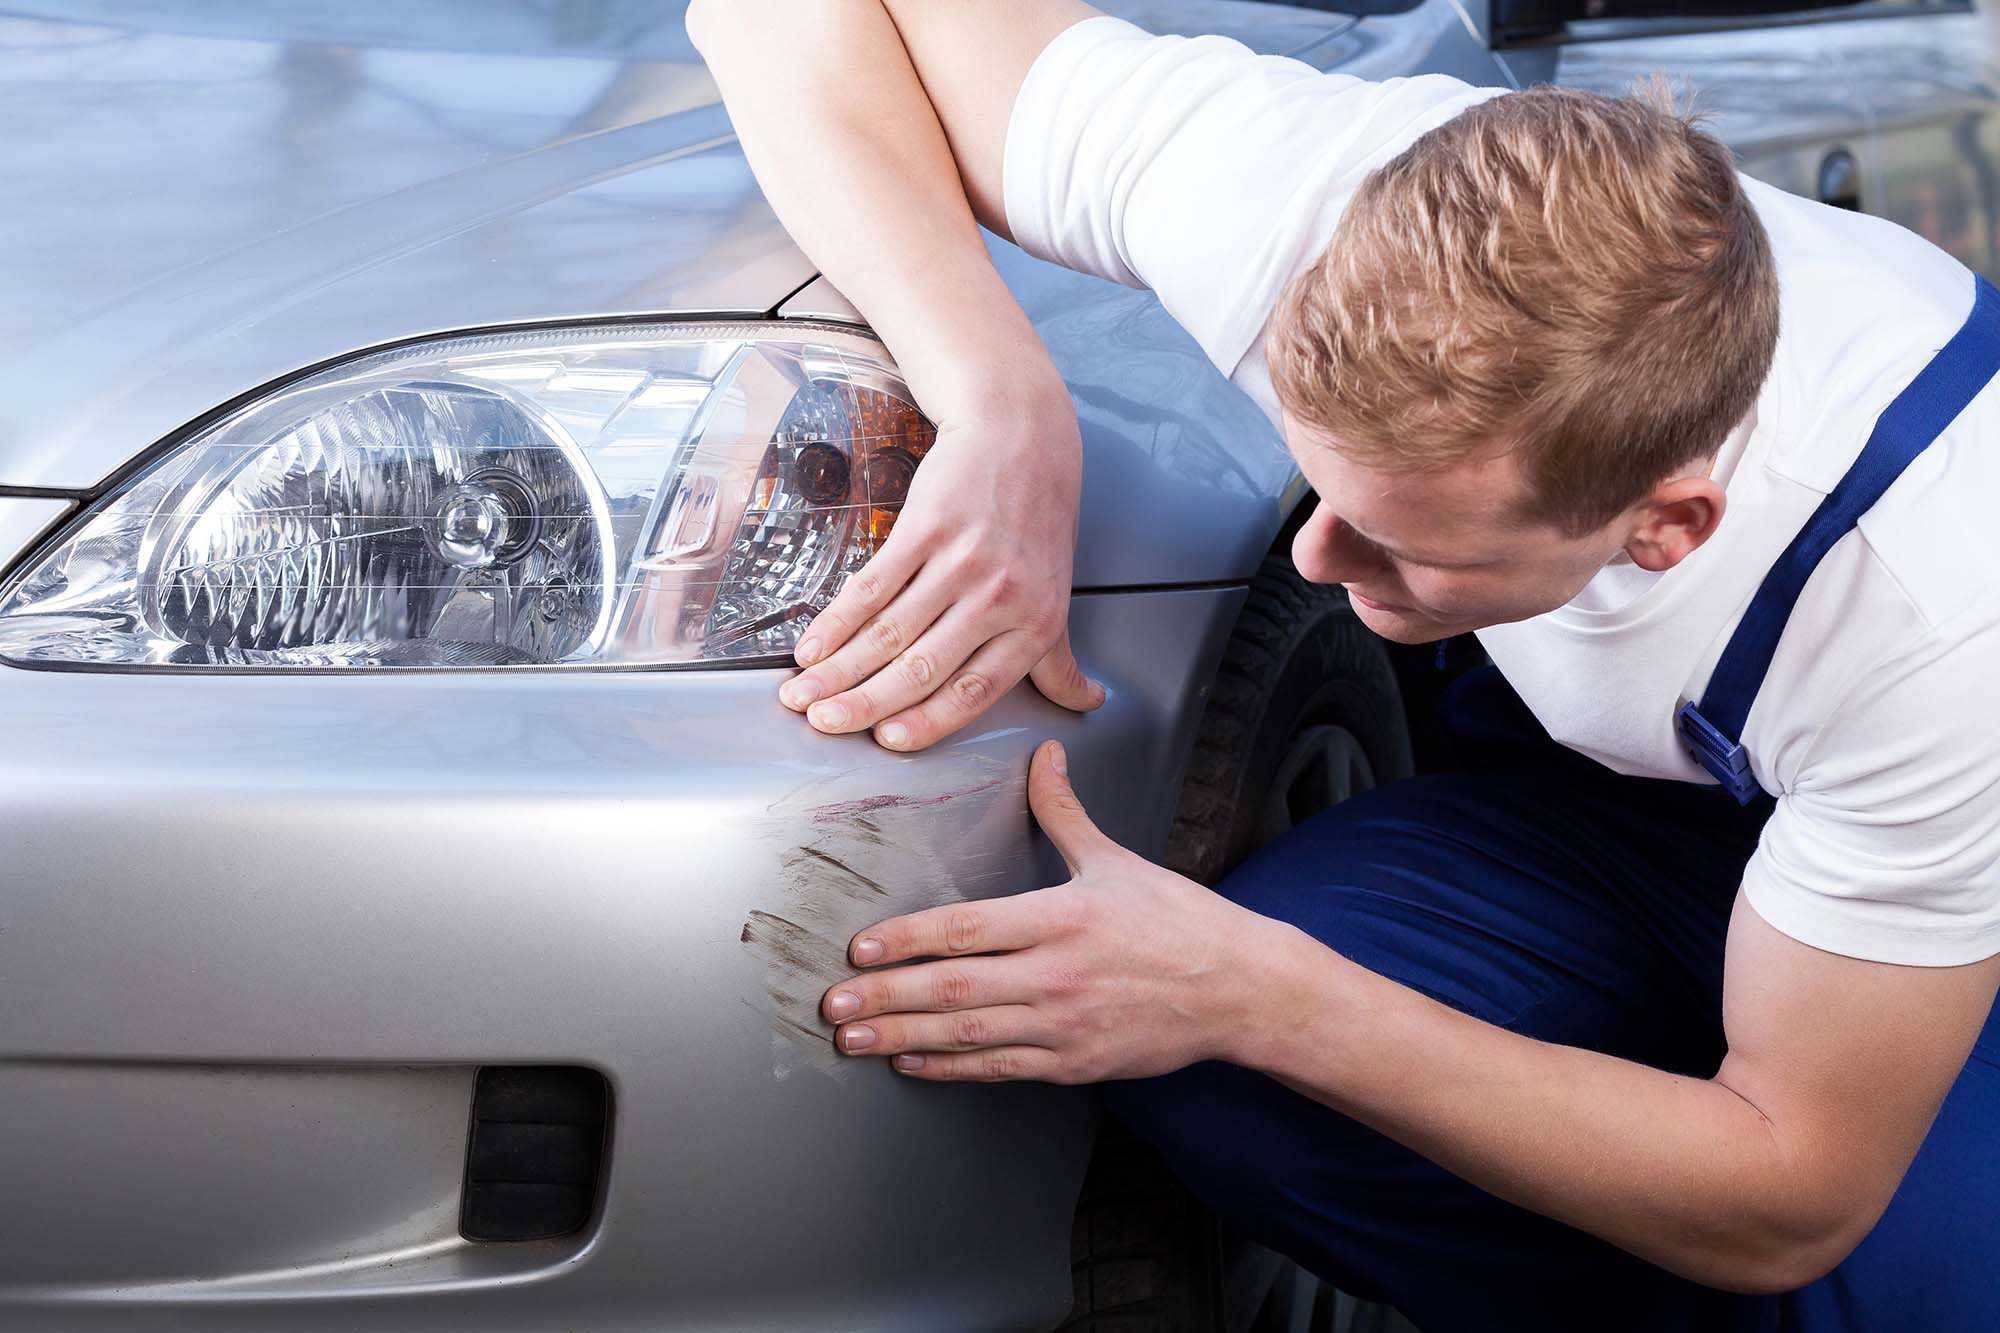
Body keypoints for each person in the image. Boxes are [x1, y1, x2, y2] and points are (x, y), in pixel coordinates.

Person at [687, 2, 2000, 1327]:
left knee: (1883, 1286)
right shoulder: (1291, 190)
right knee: (1214, 1067)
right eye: (1327, 484)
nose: (1319, 558)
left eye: (1406, 537)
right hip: (1636, 812)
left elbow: (1796, 1188)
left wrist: (1263, 992)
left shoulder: (1936, 614)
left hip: (1940, 898)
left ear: (1665, 528)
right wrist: (997, 396)